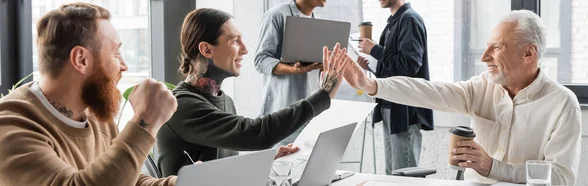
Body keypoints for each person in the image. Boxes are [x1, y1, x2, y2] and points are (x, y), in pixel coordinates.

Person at [344, 10, 580, 185]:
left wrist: (493, 168)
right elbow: (429, 91)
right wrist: (371, 84)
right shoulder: (482, 86)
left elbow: (561, 178)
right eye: (486, 47)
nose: (484, 57)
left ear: (529, 53)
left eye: (496, 48)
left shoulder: (562, 105)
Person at [156, 8, 350, 176]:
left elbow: (218, 168)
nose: (245, 50)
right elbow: (258, 133)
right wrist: (323, 94)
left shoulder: (224, 100)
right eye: (234, 41)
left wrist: (267, 159)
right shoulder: (181, 106)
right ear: (207, 49)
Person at [0, 3, 178, 185]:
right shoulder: (11, 128)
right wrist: (146, 122)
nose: (124, 65)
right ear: (81, 59)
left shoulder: (95, 115)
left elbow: (125, 178)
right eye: (116, 53)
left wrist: (185, 182)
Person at [357, 0, 433, 175]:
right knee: (392, 175)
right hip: (389, 105)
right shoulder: (393, 23)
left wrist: (375, 50)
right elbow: (394, 68)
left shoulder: (410, 20)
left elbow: (410, 65)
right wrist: (372, 65)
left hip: (403, 111)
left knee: (404, 176)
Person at [254, 0, 327, 146]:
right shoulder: (277, 15)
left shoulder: (317, 24)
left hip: (312, 110)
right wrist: (294, 69)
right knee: (282, 165)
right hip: (285, 109)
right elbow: (261, 60)